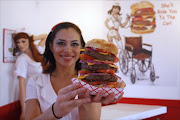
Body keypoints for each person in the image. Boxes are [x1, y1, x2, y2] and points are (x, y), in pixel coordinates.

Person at [25, 22, 124, 120]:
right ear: (51, 46)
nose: (68, 50)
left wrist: (88, 103)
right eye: (61, 43)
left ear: (81, 47)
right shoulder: (35, 82)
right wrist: (55, 111)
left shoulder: (92, 84)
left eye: (74, 44)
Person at [13, 32, 47, 120]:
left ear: (29, 41)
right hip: (33, 95)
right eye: (18, 42)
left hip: (44, 92)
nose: (20, 44)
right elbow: (22, 84)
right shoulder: (21, 59)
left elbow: (46, 36)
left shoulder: (37, 51)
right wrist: (24, 110)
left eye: (23, 41)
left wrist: (32, 38)